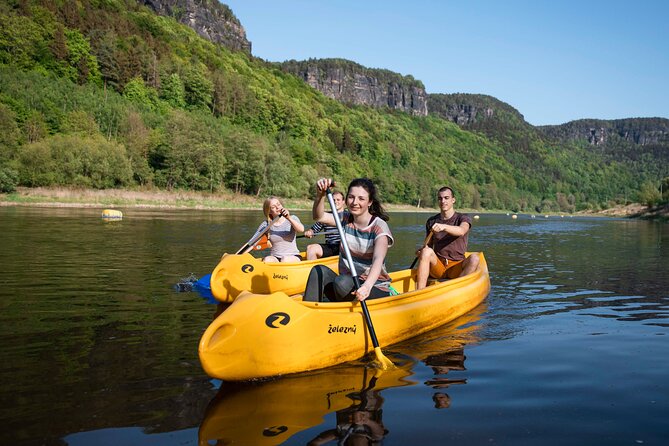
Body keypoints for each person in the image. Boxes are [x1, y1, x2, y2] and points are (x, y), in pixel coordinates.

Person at [304, 178, 393, 302]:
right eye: (351, 197)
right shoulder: (345, 219)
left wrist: (366, 286)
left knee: (342, 282)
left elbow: (378, 260)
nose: (355, 202)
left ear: (369, 202)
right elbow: (318, 216)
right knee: (319, 270)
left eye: (361, 198)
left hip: (373, 287)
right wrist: (320, 195)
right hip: (347, 285)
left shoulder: (379, 227)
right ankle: (311, 311)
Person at [415, 186, 480, 289]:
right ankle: (419, 292)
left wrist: (444, 227)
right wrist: (421, 252)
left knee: (475, 258)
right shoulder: (431, 221)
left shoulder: (463, 218)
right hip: (438, 266)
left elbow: (462, 231)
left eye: (446, 198)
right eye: (440, 198)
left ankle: (459, 289)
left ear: (453, 200)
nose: (443, 201)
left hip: (456, 266)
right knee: (426, 252)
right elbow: (428, 245)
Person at [252, 196, 304, 263]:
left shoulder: (292, 218)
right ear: (269, 211)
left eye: (278, 204)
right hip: (275, 257)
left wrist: (288, 218)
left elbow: (301, 230)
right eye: (273, 207)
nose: (277, 207)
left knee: (284, 260)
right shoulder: (266, 224)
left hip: (292, 256)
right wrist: (238, 255)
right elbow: (252, 242)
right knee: (267, 260)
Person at [304, 190, 345, 260]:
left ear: (343, 201)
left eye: (338, 200)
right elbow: (314, 230)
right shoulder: (325, 217)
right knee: (310, 248)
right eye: (333, 200)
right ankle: (313, 270)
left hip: (344, 247)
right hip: (330, 247)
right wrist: (310, 232)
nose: (335, 202)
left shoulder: (349, 216)